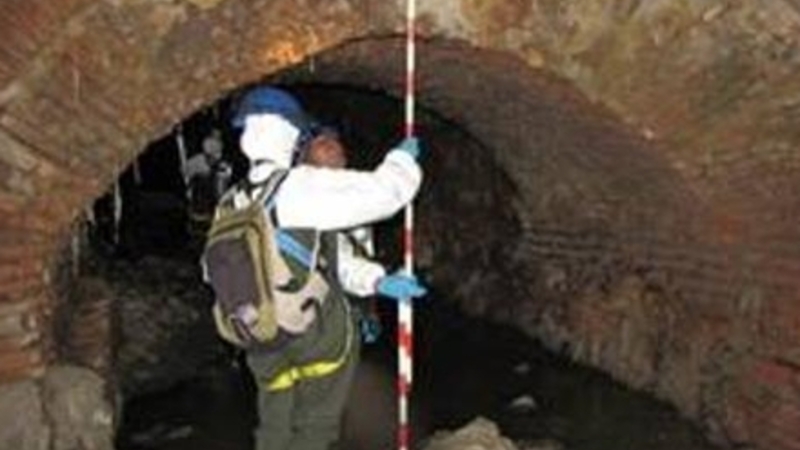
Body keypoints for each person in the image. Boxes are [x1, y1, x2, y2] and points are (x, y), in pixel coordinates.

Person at [227, 86, 427, 450]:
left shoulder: (236, 198)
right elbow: (384, 195)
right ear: (292, 137)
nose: (333, 148)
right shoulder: (299, 187)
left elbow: (326, 256)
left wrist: (377, 281)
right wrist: (401, 161)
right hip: (309, 331)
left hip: (262, 334)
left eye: (336, 142)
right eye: (320, 142)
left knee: (276, 423)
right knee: (315, 426)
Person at [185, 128, 233, 233]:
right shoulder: (196, 162)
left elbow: (221, 191)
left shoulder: (223, 167)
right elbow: (187, 176)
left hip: (211, 212)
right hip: (198, 210)